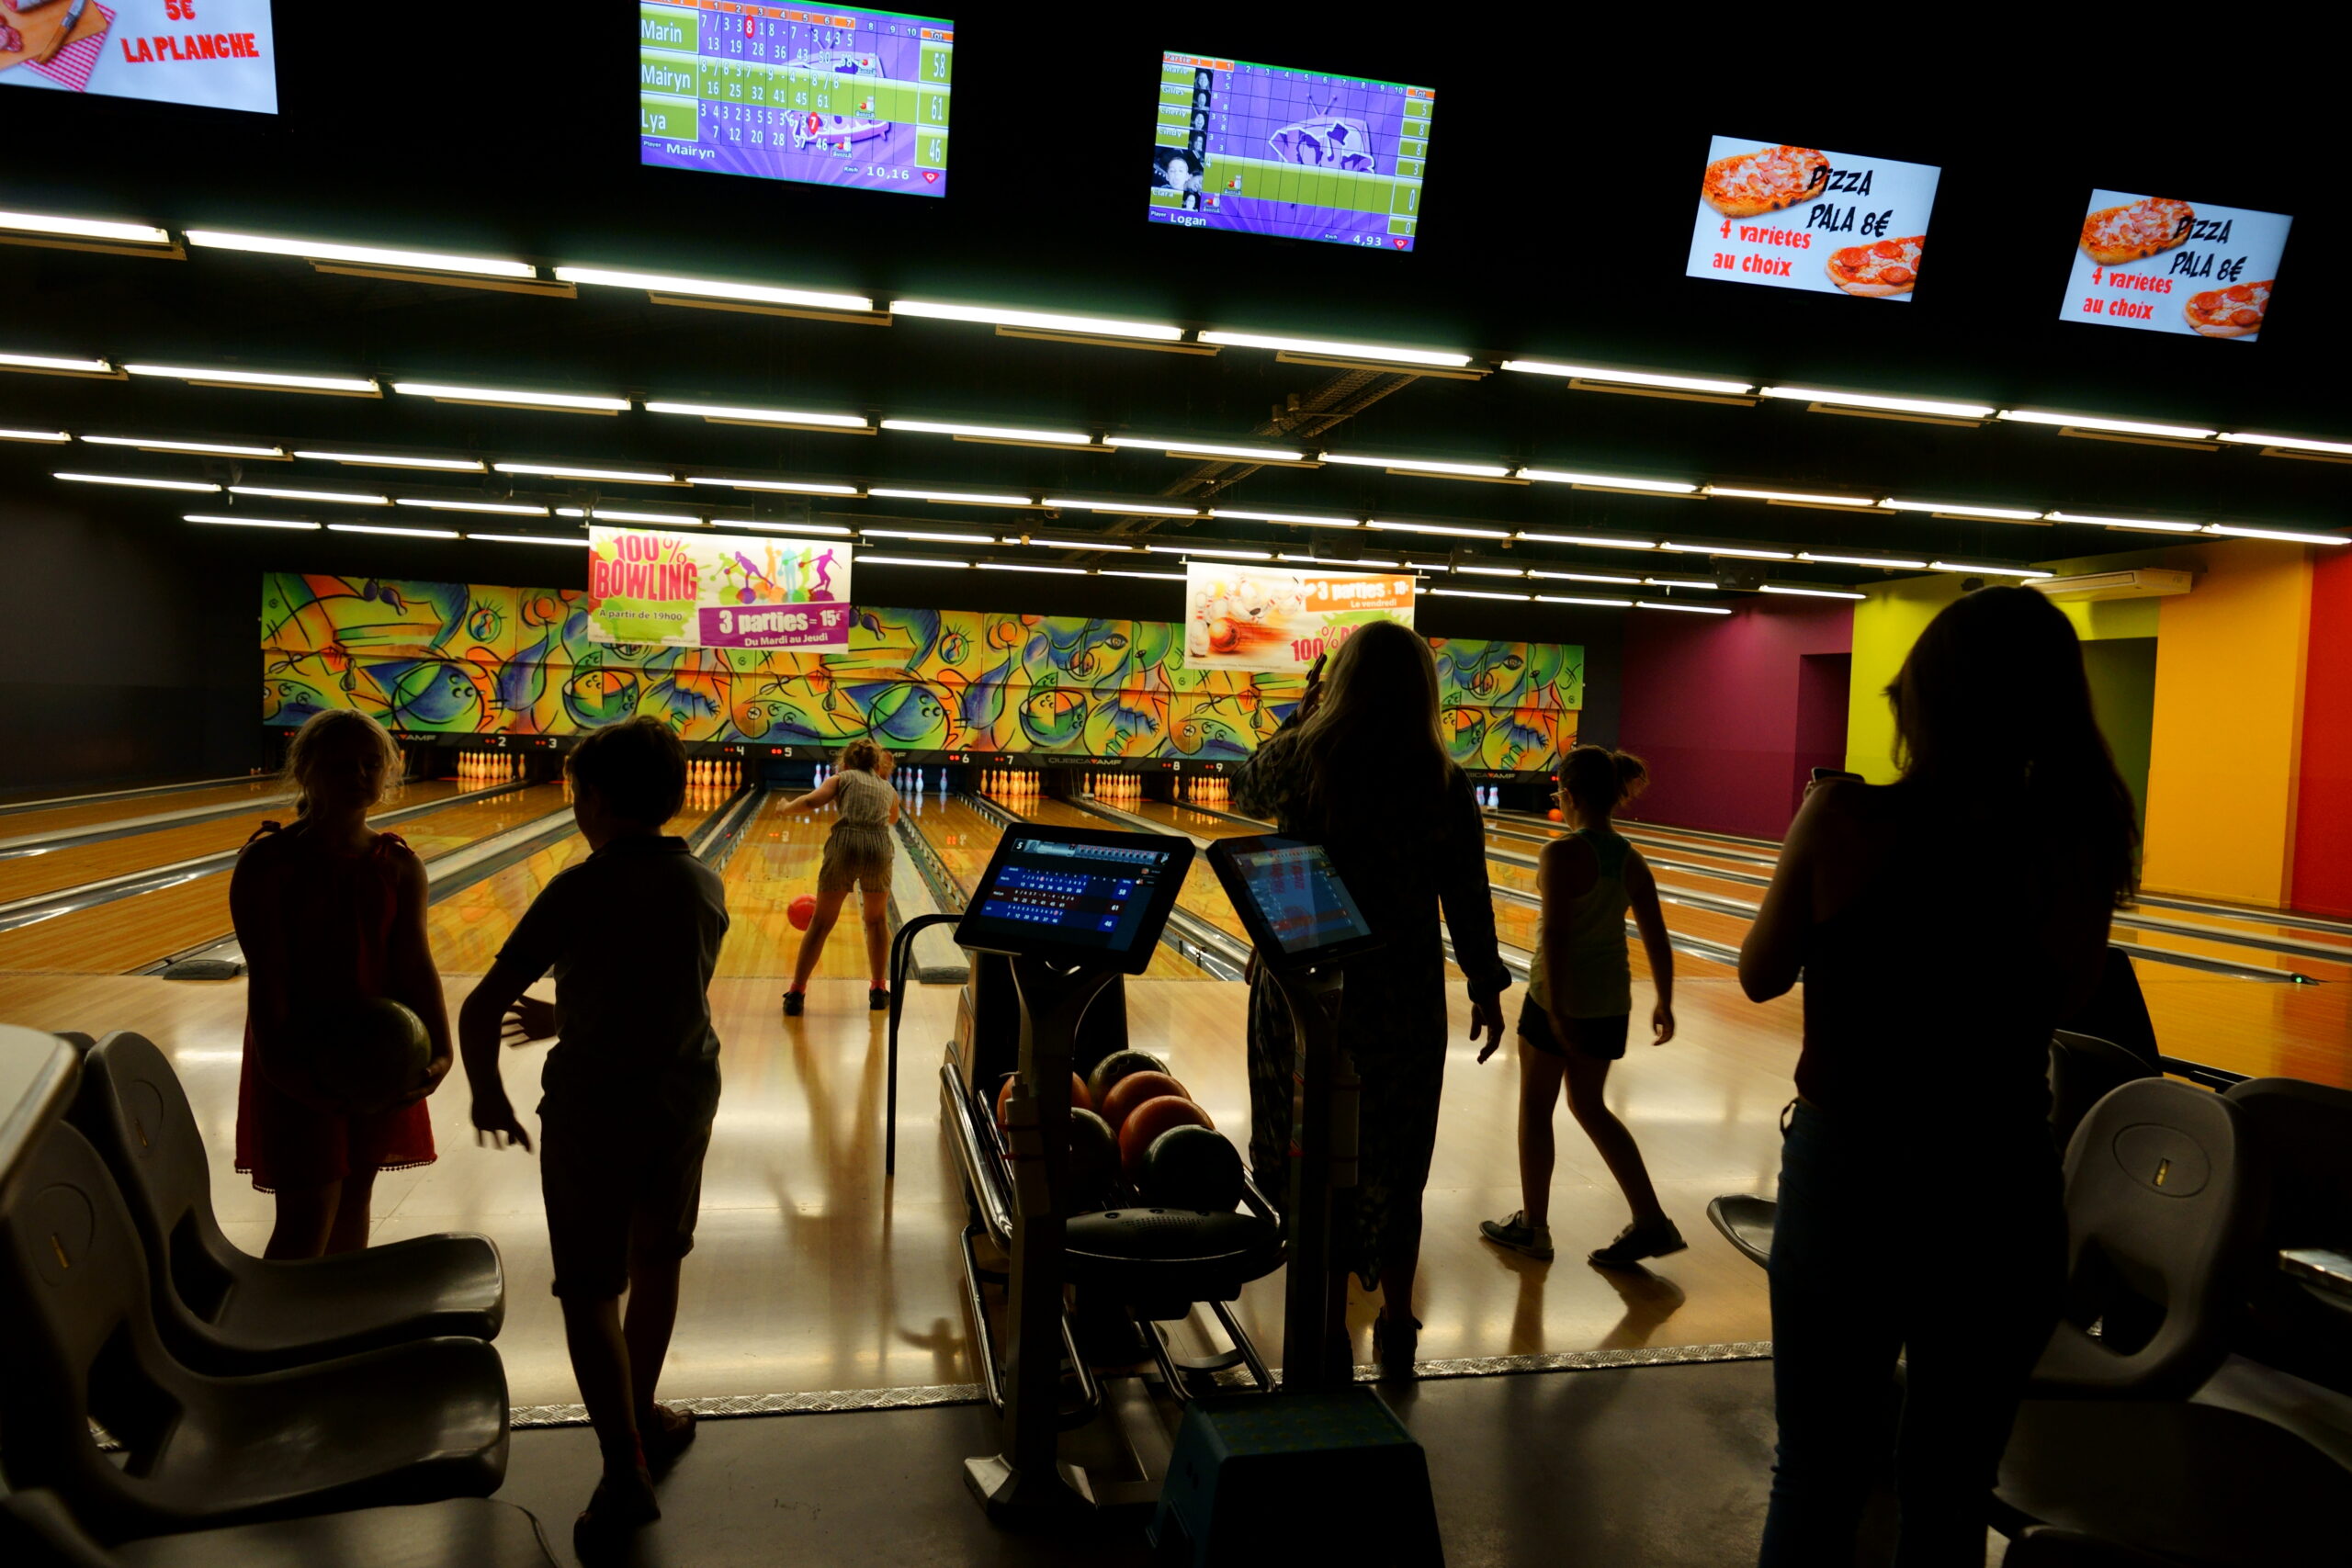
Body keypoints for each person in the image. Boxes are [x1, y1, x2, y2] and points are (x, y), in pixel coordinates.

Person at [1737, 587, 2138, 1568]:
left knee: (1819, 1471)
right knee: (1951, 1486)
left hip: (1850, 1178)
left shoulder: (1842, 818)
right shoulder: (2074, 846)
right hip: (1997, 1179)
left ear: (1921, 702)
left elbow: (1758, 972)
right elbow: (2068, 997)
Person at [458, 716, 729, 1541]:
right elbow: (652, 987)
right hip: (684, 1094)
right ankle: (643, 1414)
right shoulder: (703, 882)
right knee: (658, 1256)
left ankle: (623, 1465)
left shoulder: (580, 885)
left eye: (575, 795)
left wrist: (486, 1094)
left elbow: (478, 1006)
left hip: (594, 1105)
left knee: (588, 1286)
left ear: (596, 800)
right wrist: (572, 1009)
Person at [1235, 623, 1509, 1379]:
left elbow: (1242, 784)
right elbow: (1469, 895)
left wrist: (1302, 709)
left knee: (1311, 1151)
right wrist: (1485, 983)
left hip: (1303, 992)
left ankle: (1324, 1325)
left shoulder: (1306, 758)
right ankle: (1395, 1320)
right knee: (1397, 1158)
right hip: (1401, 999)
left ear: (1339, 683)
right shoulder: (1442, 780)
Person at [231, 709, 448, 1258]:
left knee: (354, 1203)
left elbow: (416, 966)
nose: (358, 774)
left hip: (382, 1057)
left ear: (388, 772)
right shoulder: (268, 863)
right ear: (305, 771)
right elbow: (269, 976)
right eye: (339, 764)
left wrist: (442, 1051)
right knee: (307, 1217)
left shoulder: (398, 864)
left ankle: (339, 1334)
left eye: (370, 764)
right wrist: (286, 1073)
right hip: (299, 1059)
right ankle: (278, 1340)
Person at [1477, 746, 1681, 1268]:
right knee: (1590, 1106)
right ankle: (1651, 1220)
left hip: (1555, 1001)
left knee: (1535, 1107)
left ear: (1566, 794)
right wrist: (1666, 999)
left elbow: (1559, 939)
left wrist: (1558, 1010)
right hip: (1611, 1002)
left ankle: (1534, 1227)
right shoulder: (1629, 857)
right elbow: (1656, 935)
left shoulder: (1560, 854)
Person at [781, 738, 899, 1015]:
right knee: (877, 920)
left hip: (845, 844)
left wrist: (786, 808)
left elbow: (811, 801)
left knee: (821, 922)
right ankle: (879, 989)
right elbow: (892, 819)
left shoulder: (841, 778)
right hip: (879, 847)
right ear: (876, 764)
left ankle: (797, 993)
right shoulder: (888, 788)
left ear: (845, 763)